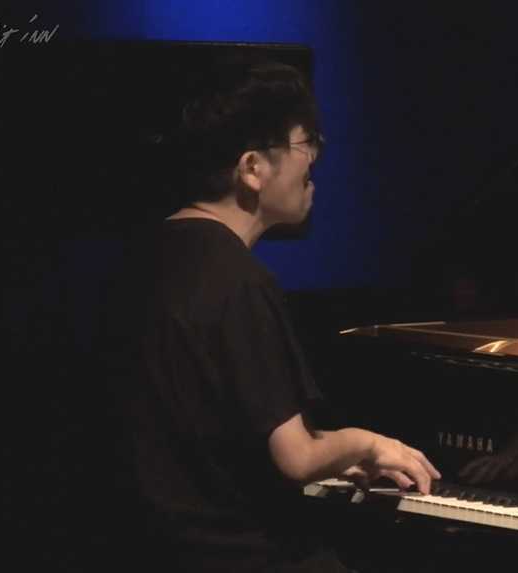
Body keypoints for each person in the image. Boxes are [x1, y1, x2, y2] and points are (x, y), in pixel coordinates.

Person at [100, 56, 439, 573]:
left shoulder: (143, 256)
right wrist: (367, 443)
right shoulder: (237, 279)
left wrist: (335, 456)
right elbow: (296, 458)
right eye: (306, 143)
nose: (315, 159)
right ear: (252, 168)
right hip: (237, 554)